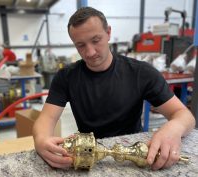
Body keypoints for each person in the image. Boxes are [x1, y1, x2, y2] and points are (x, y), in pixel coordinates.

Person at [33, 7, 195, 170]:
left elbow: (185, 116)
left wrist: (173, 128)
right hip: (88, 158)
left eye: (96, 40)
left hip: (135, 157)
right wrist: (41, 140)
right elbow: (46, 119)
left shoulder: (141, 73)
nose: (90, 52)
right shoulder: (66, 77)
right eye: (81, 45)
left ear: (108, 32)